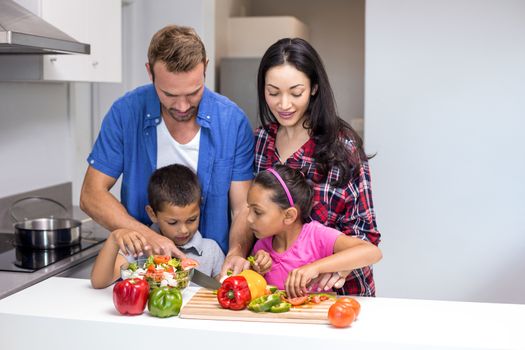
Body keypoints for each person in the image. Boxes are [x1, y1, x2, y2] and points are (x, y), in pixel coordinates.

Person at [80, 25, 254, 274]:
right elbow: (90, 194)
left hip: (210, 273)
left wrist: (236, 253)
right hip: (143, 275)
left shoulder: (232, 122)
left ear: (205, 67)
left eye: (194, 92)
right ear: (150, 72)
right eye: (169, 94)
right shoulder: (126, 113)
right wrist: (148, 236)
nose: (183, 106)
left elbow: (242, 208)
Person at [253, 38, 381, 296]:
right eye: (273, 92)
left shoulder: (342, 147)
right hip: (277, 297)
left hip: (339, 295)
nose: (284, 104)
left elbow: (366, 240)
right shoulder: (260, 141)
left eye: (296, 92)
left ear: (313, 88)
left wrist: (325, 267)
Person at [247, 165, 382, 298]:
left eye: (257, 212)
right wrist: (256, 271)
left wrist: (314, 268)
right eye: (249, 209)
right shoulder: (261, 246)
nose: (249, 219)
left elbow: (373, 252)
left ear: (289, 216)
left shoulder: (316, 236)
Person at [91, 164, 225, 289]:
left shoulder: (212, 250)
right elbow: (99, 282)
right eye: (173, 222)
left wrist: (224, 281)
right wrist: (114, 238)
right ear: (152, 214)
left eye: (192, 220)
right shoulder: (138, 247)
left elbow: (220, 289)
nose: (184, 230)